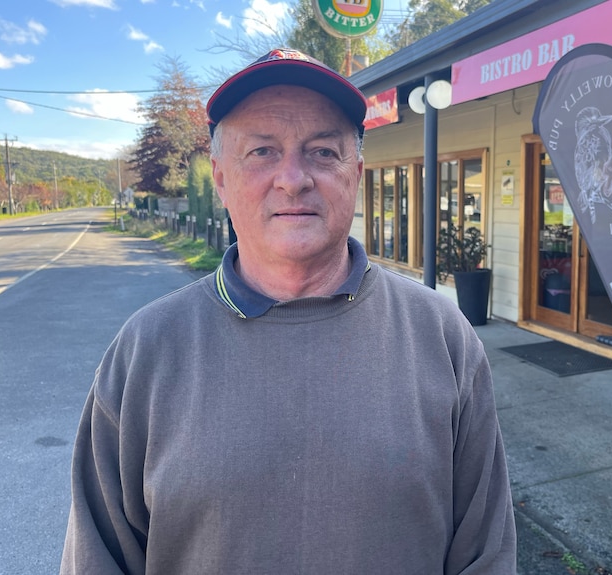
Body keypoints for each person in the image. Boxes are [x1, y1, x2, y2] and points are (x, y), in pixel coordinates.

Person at [60, 48, 516, 574]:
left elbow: (486, 555)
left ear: (357, 173)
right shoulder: (145, 352)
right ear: (222, 179)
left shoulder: (442, 337)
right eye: (261, 151)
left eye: (323, 151)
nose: (293, 177)